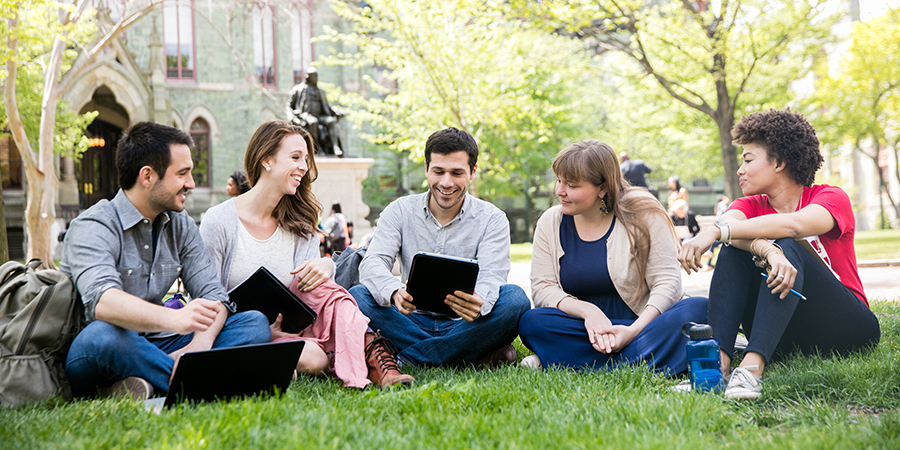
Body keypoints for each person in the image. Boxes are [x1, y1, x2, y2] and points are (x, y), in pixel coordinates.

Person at [678, 109, 880, 400]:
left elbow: (793, 225)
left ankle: (751, 370)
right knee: (737, 248)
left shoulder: (830, 197)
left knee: (788, 243)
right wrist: (767, 249)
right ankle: (715, 368)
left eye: (748, 160)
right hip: (785, 334)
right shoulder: (748, 204)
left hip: (847, 326)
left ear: (780, 162)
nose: (740, 170)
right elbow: (733, 228)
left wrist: (714, 233)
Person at [61, 122, 271, 400]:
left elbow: (214, 295)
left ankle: (142, 383)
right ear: (147, 176)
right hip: (104, 347)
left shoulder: (179, 222)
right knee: (104, 337)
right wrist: (176, 318)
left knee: (254, 323)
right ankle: (216, 379)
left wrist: (199, 344)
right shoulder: (93, 225)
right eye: (182, 173)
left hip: (164, 342)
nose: (191, 183)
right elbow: (104, 302)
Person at [200, 120, 412, 389]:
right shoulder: (219, 220)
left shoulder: (299, 223)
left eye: (306, 159)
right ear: (266, 160)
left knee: (316, 357)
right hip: (234, 327)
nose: (304, 166)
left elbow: (307, 295)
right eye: (295, 157)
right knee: (294, 342)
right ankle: (370, 353)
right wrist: (260, 330)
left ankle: (368, 349)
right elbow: (208, 297)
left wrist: (327, 266)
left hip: (287, 332)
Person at [518, 141, 707, 373]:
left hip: (643, 323)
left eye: (572, 185)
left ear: (603, 188)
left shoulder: (644, 212)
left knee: (698, 309)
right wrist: (589, 312)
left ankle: (568, 359)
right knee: (533, 322)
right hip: (581, 326)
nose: (560, 191)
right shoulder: (551, 221)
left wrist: (632, 332)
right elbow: (543, 287)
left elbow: (667, 282)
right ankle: (644, 357)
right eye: (559, 180)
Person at [348, 127, 531, 367]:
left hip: (466, 322)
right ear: (426, 169)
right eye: (438, 171)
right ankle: (466, 354)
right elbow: (374, 262)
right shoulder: (399, 210)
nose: (446, 183)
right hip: (408, 320)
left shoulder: (492, 218)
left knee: (515, 299)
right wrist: (393, 291)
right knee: (358, 296)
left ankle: (410, 359)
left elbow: (492, 276)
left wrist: (479, 301)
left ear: (472, 172)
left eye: (457, 173)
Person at [286, 67, 344, 156]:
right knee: (313, 122)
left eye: (316, 76)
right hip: (305, 115)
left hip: (320, 115)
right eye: (313, 76)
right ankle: (315, 147)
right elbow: (289, 105)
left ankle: (336, 147)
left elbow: (327, 108)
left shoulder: (320, 91)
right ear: (308, 77)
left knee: (331, 121)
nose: (315, 78)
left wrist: (336, 112)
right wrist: (291, 116)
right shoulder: (298, 89)